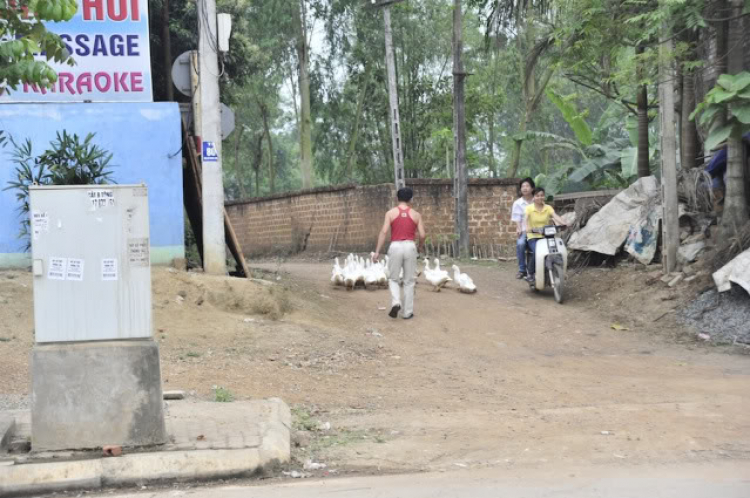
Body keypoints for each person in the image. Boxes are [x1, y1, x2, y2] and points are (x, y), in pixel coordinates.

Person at [373, 187, 426, 320]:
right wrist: (420, 247)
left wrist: (377, 251)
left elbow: (384, 232)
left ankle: (396, 302)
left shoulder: (390, 213)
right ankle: (407, 312)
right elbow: (423, 235)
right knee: (409, 281)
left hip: (395, 246)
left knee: (393, 278)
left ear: (397, 198)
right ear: (410, 199)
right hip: (410, 246)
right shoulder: (416, 215)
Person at [524, 187, 567, 283]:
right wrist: (527, 228)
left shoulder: (548, 208)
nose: (540, 197)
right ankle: (530, 273)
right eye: (537, 195)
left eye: (542, 195)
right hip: (533, 236)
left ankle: (559, 270)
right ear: (533, 197)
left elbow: (555, 216)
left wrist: (564, 223)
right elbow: (525, 219)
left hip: (547, 236)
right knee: (536, 252)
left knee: (556, 251)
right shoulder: (529, 208)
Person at [510, 177, 535, 279]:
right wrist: (519, 228)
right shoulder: (517, 203)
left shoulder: (537, 199)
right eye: (523, 186)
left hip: (538, 230)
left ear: (532, 188)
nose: (525, 188)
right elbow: (517, 218)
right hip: (525, 230)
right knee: (520, 244)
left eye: (527, 186)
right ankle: (522, 270)